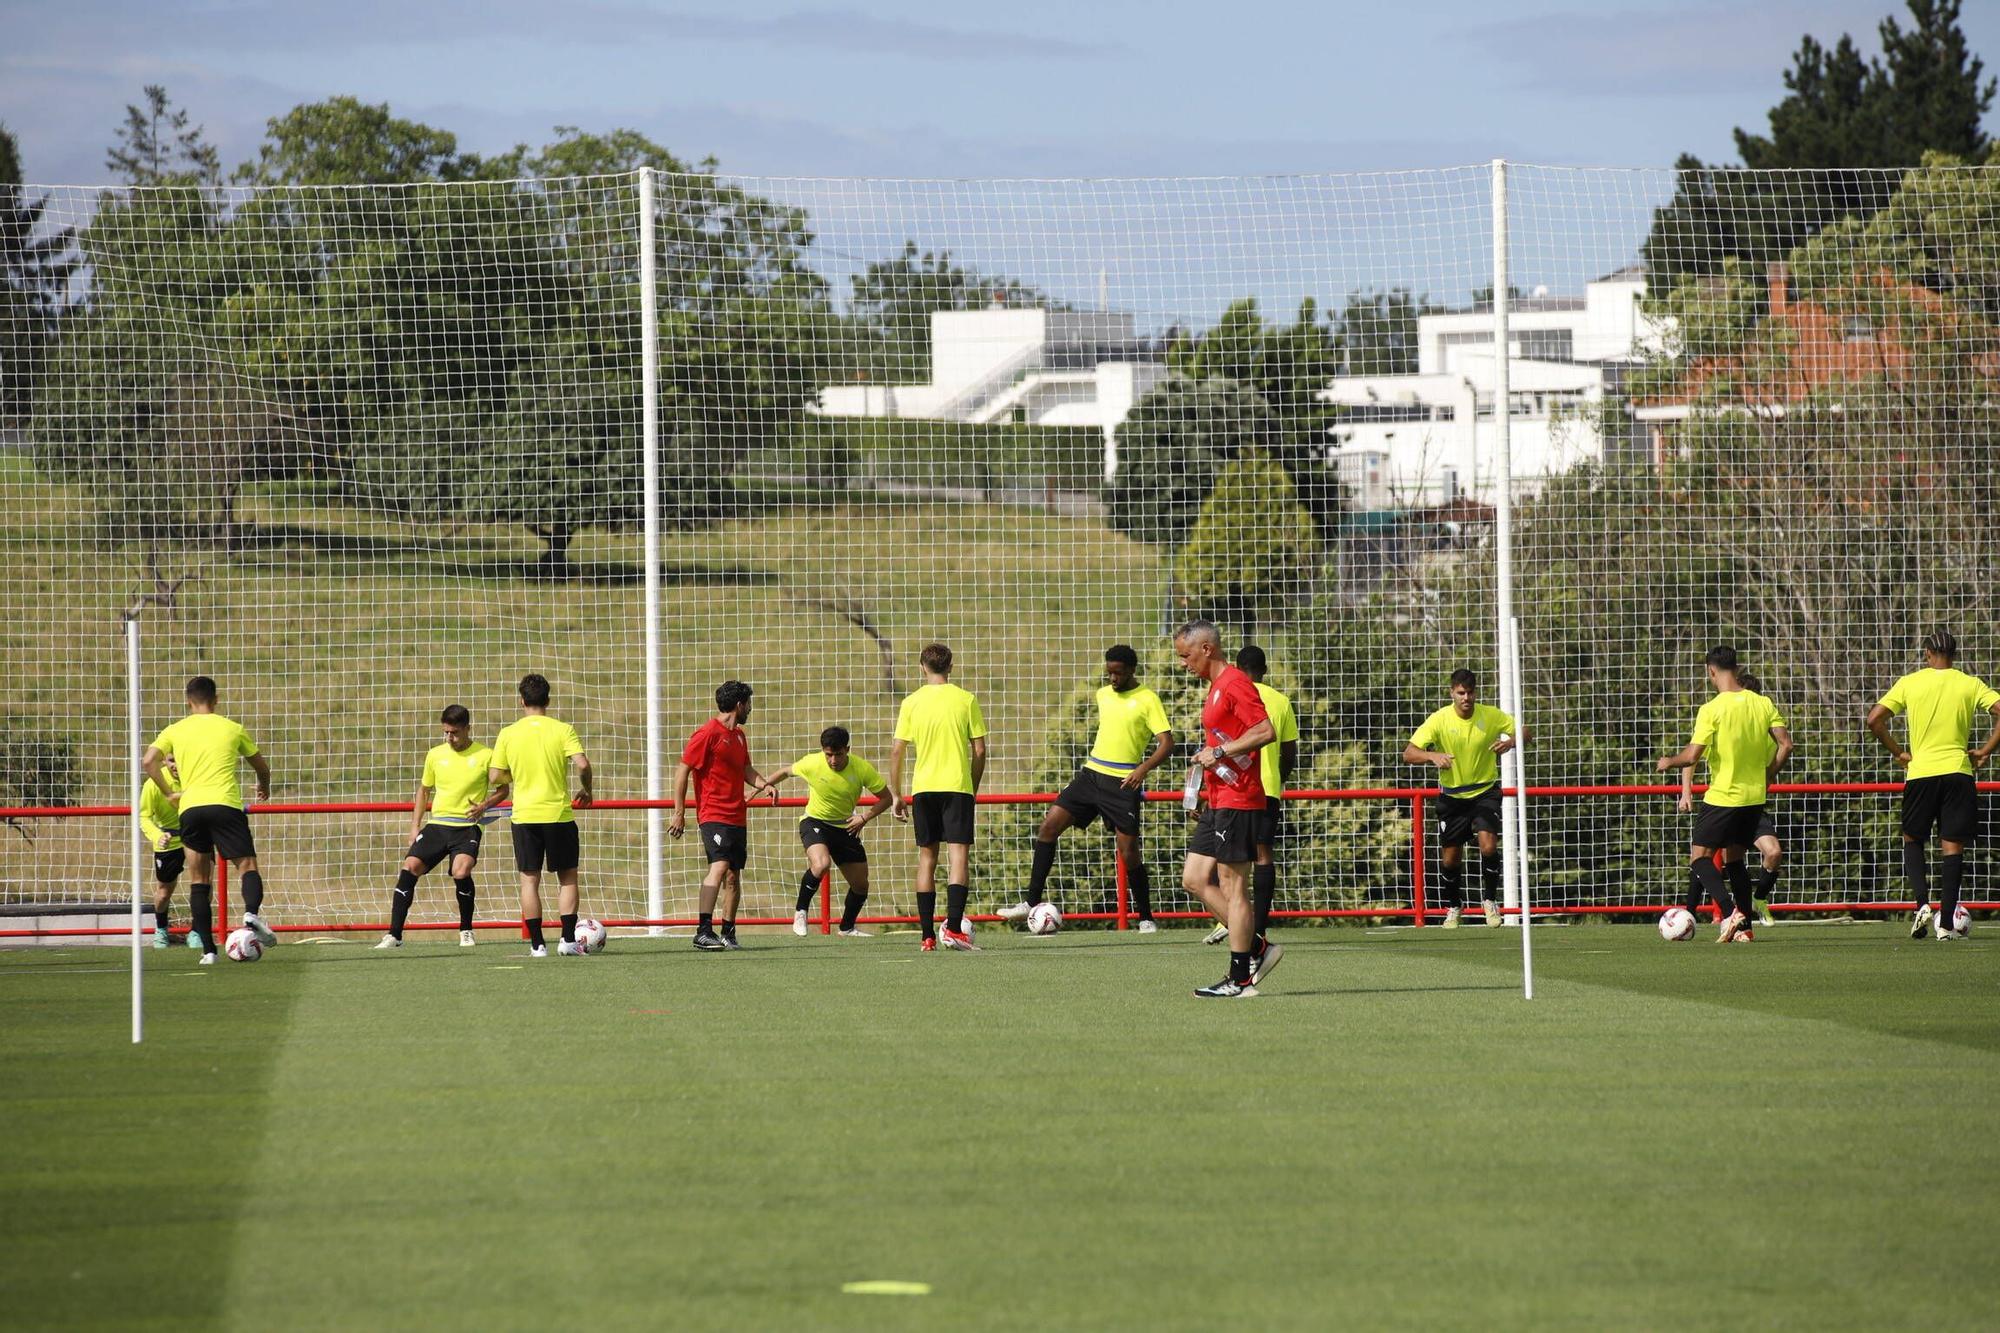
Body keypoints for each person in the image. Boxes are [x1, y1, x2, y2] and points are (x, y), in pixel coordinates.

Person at [999, 645, 1173, 933]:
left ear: (1131, 670)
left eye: (1118, 673)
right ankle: (1030, 903)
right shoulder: (1102, 695)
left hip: (1122, 783)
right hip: (1091, 776)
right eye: (1109, 673)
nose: (1113, 679)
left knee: (1129, 853)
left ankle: (1145, 917)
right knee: (1048, 828)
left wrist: (1141, 770)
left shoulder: (1147, 699)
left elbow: (1167, 743)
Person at [1866, 630, 2000, 941]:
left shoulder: (1911, 682)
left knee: (1913, 838)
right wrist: (1984, 750)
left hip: (1921, 772)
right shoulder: (1969, 683)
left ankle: (1923, 904)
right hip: (1958, 771)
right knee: (1952, 847)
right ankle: (1946, 925)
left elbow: (1874, 719)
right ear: (1955, 655)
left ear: (1927, 654)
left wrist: (1899, 752)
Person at [1656, 646, 1792, 944]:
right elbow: (1785, 744)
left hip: (1723, 797)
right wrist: (1770, 773)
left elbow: (1691, 756)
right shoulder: (1762, 703)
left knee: (1699, 858)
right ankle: (1744, 930)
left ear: (1711, 671)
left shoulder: (1712, 709)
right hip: (1754, 798)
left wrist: (1669, 761)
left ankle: (1731, 913)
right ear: (1737, 667)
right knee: (1734, 861)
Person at [1174, 619, 1278, 998]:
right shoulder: (1216, 688)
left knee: (1235, 889)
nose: (1184, 663)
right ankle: (1256, 948)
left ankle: (1240, 978)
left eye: (1186, 656)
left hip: (1240, 799)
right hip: (1219, 799)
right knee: (1194, 878)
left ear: (1206, 649)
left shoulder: (1235, 682)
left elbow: (1265, 731)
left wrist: (1217, 752)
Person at [141, 677, 273, 965]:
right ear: (216, 700)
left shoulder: (175, 729)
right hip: (225, 805)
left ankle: (208, 952)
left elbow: (148, 761)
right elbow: (261, 766)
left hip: (190, 809)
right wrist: (264, 785)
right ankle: (251, 914)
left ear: (188, 701)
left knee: (199, 880)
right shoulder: (231, 727)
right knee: (247, 866)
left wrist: (170, 793)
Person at [376, 705, 507, 951]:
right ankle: (394, 935)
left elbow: (503, 789)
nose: (450, 738)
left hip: (466, 827)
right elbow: (424, 790)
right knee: (410, 866)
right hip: (437, 825)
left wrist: (484, 805)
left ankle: (466, 930)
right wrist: (415, 826)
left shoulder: (486, 755)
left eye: (455, 733)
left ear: (468, 728)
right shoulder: (435, 755)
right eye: (446, 732)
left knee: (461, 871)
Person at [888, 643, 987, 952]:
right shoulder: (966, 699)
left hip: (924, 787)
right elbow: (980, 750)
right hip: (957, 786)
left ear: (922, 667)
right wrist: (971, 786)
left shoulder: (911, 703)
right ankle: (955, 929)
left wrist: (896, 794)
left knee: (927, 858)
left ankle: (927, 936)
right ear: (951, 667)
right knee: (958, 855)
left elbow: (897, 750)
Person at [1404, 669, 1519, 928]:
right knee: (1450, 860)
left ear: (1476, 693)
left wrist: (1510, 741)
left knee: (1488, 846)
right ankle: (1454, 907)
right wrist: (1432, 756)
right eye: (1461, 693)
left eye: (1470, 692)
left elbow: (1525, 732)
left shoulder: (1490, 715)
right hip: (1453, 798)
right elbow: (1409, 753)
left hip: (1485, 793)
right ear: (1452, 693)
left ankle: (1490, 902)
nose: (1466, 697)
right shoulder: (1439, 720)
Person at [489, 674, 592, 958]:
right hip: (557, 814)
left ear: (521, 700)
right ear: (548, 700)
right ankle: (568, 941)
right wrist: (587, 788)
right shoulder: (562, 729)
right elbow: (582, 765)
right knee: (567, 878)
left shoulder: (508, 733)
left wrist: (517, 774)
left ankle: (537, 945)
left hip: (524, 815)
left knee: (529, 880)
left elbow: (495, 775)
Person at [761, 726, 897, 937]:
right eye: (828, 755)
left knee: (861, 885)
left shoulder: (862, 769)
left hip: (846, 826)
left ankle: (846, 927)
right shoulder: (811, 763)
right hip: (815, 822)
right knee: (821, 864)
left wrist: (864, 817)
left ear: (847, 750)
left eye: (839, 755)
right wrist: (763, 786)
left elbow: (886, 798)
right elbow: (786, 772)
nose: (833, 760)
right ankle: (801, 911)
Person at [672, 681, 776, 951]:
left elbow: (746, 769)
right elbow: (682, 770)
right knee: (718, 867)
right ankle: (703, 931)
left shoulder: (740, 736)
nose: (750, 709)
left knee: (733, 875)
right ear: (739, 705)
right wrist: (679, 812)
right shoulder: (707, 733)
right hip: (713, 813)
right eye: (749, 704)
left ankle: (728, 932)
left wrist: (764, 785)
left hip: (737, 816)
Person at [1679, 668, 1784, 927]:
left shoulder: (1758, 729)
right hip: (1743, 801)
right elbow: (1694, 755)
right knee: (1720, 857)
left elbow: (1690, 755)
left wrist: (1767, 776)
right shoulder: (1739, 719)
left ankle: (1737, 911)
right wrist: (1686, 789)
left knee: (1706, 855)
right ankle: (1697, 914)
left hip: (1741, 802)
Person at [138, 758, 183, 949]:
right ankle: (161, 929)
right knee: (164, 892)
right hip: (169, 840)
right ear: (164, 760)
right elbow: (144, 816)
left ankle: (198, 931)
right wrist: (158, 836)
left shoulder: (195, 777)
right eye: (171, 760)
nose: (175, 765)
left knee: (203, 883)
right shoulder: (153, 783)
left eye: (179, 759)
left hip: (195, 836)